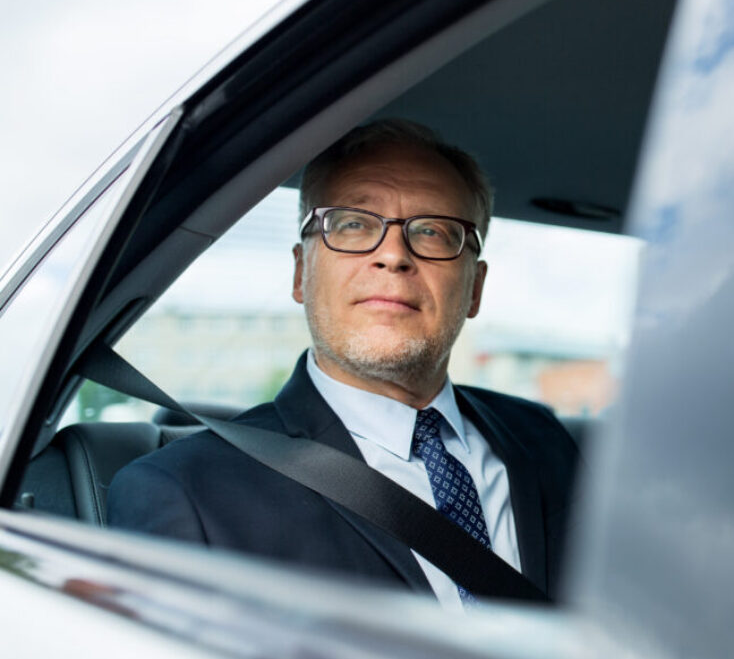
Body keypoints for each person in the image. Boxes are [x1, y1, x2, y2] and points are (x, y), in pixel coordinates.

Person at [108, 120, 580, 609]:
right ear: (300, 274)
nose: (394, 255)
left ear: (475, 288)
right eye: (352, 224)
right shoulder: (185, 490)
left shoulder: (543, 438)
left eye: (435, 232)